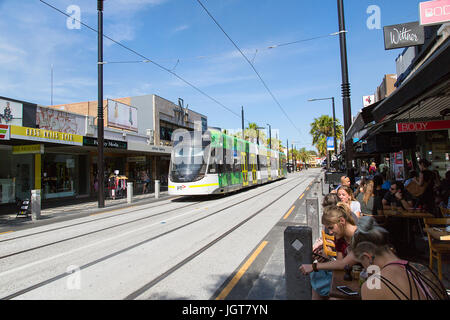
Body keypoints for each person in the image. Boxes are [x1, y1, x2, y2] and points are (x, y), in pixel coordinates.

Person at [351, 216, 448, 300]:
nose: (365, 270)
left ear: (367, 257)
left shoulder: (373, 285)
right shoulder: (422, 269)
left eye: (363, 265)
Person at [299, 205, 359, 299]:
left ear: (342, 221)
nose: (330, 232)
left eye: (331, 227)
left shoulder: (360, 236)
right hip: (349, 276)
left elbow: (343, 264)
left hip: (365, 279)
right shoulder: (340, 238)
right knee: (317, 282)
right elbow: (340, 262)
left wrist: (314, 266)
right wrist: (326, 260)